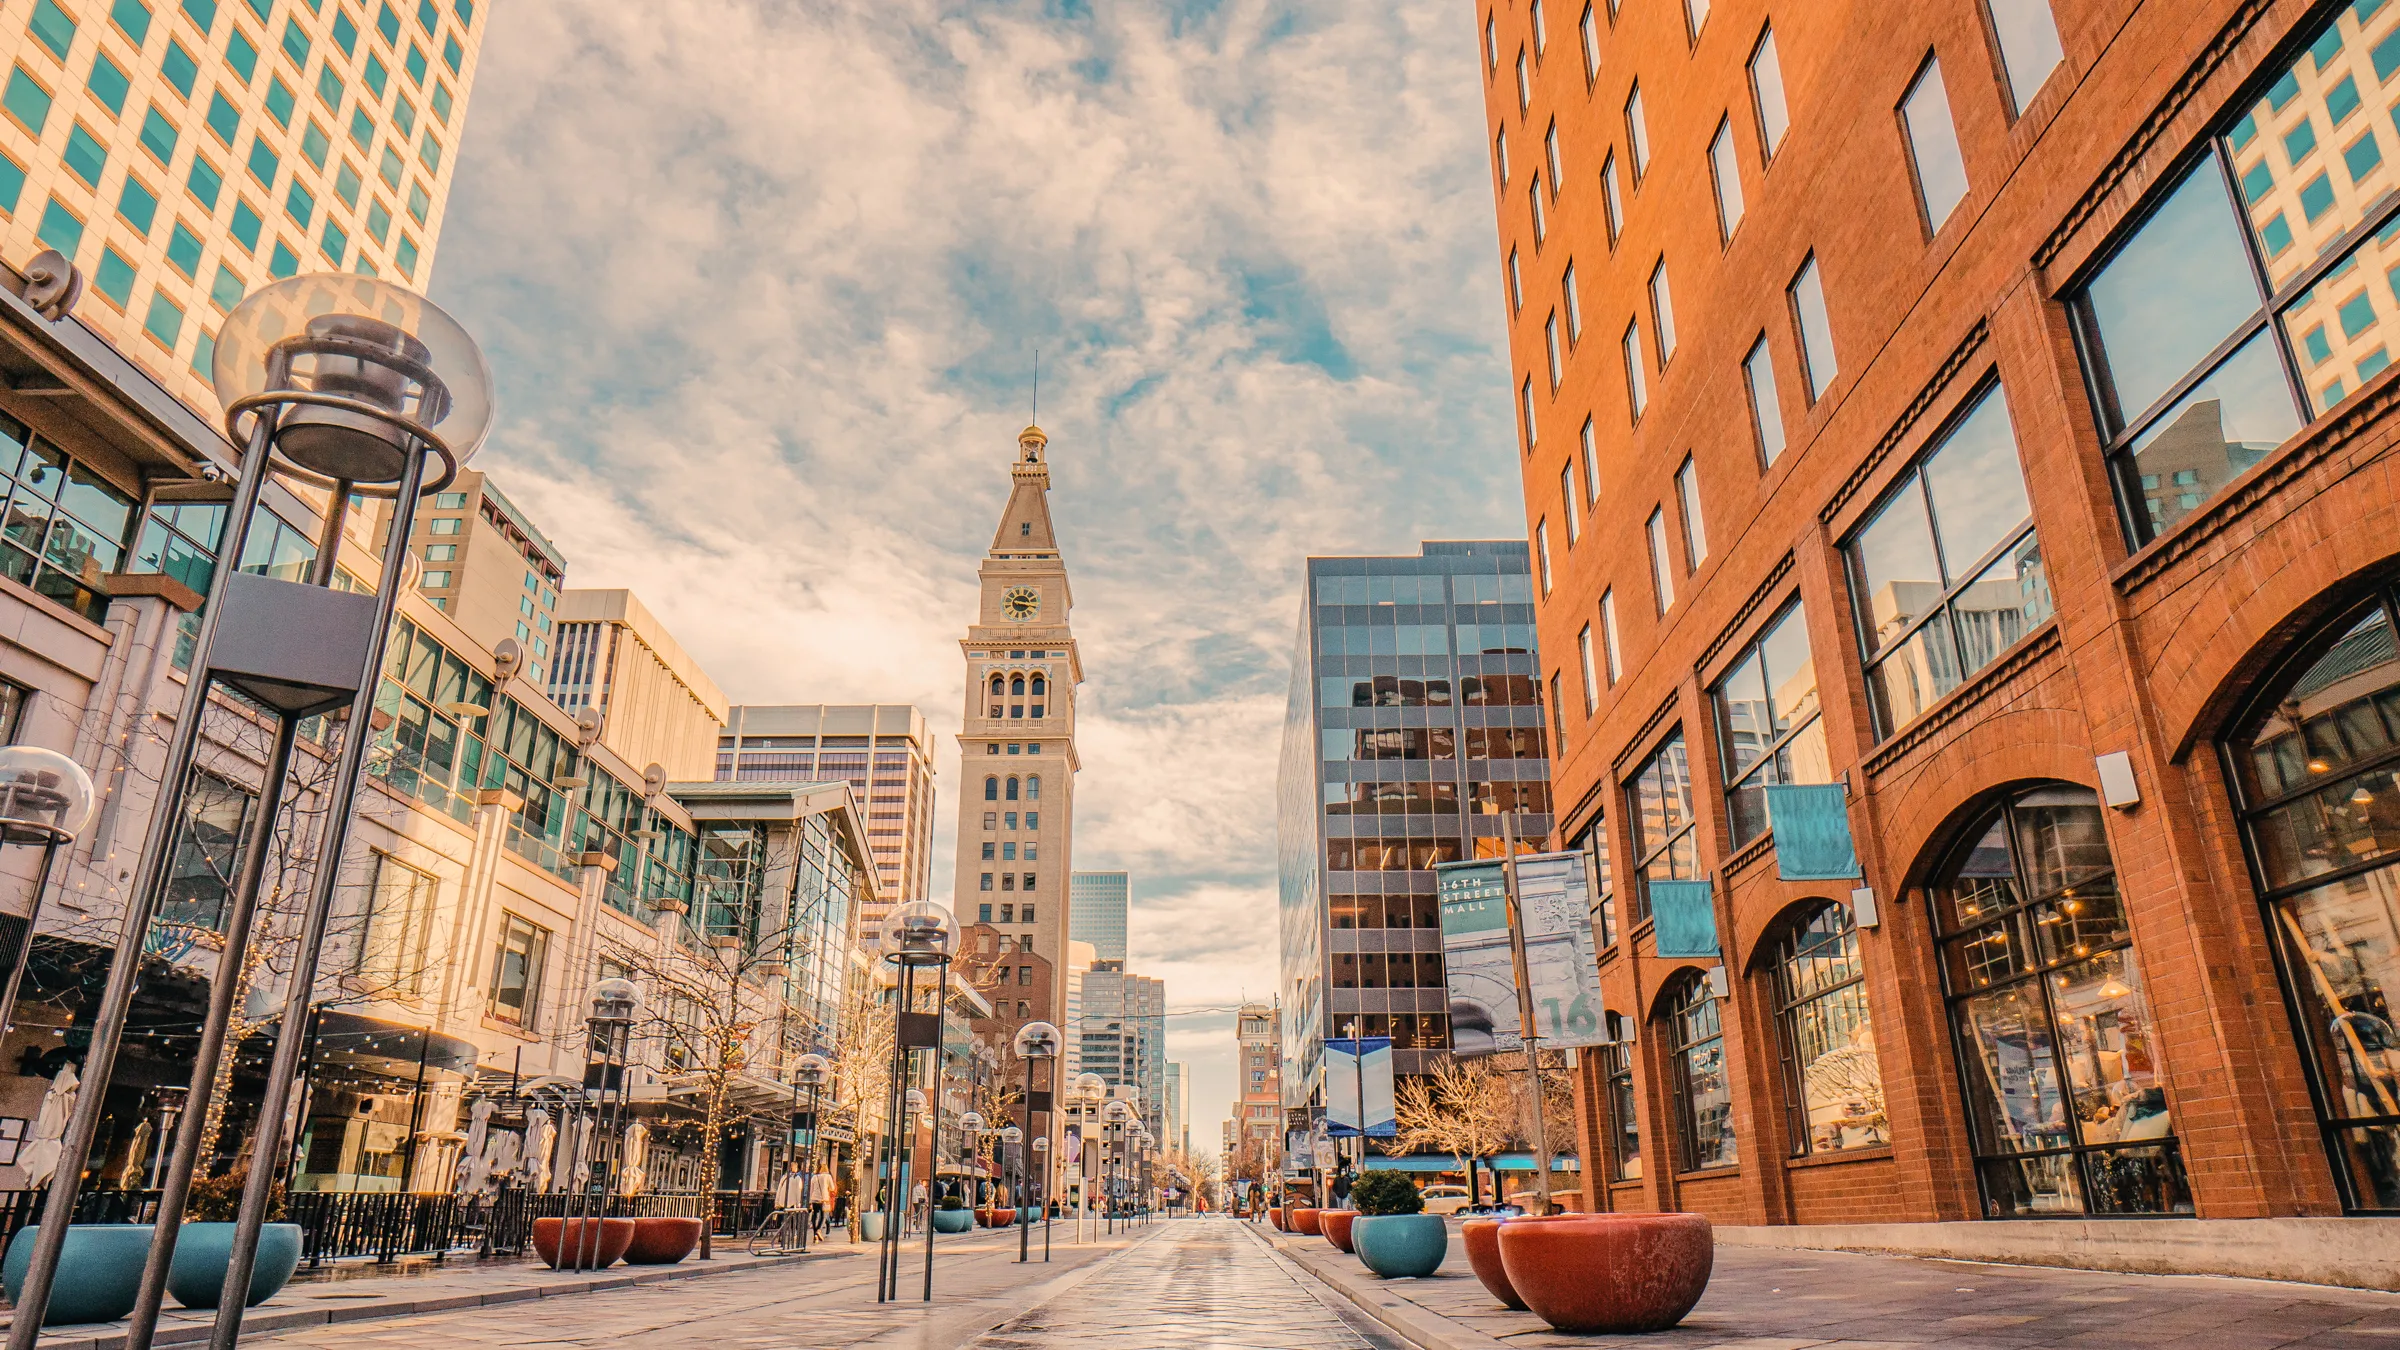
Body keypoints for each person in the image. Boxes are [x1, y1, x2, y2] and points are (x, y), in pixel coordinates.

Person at [773, 1164, 808, 1248]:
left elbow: (779, 1190)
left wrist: (777, 1202)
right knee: (792, 1220)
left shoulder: (784, 1177)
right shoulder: (797, 1178)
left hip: (783, 1202)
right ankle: (791, 1234)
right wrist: (798, 1203)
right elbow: (799, 1192)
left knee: (783, 1220)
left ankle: (782, 1234)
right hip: (792, 1203)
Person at [809, 1166, 835, 1235]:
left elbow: (811, 1189)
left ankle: (815, 1233)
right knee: (823, 1216)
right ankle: (819, 1230)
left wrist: (810, 1200)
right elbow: (832, 1188)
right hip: (824, 1199)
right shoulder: (828, 1176)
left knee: (815, 1215)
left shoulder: (814, 1177)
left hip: (814, 1198)